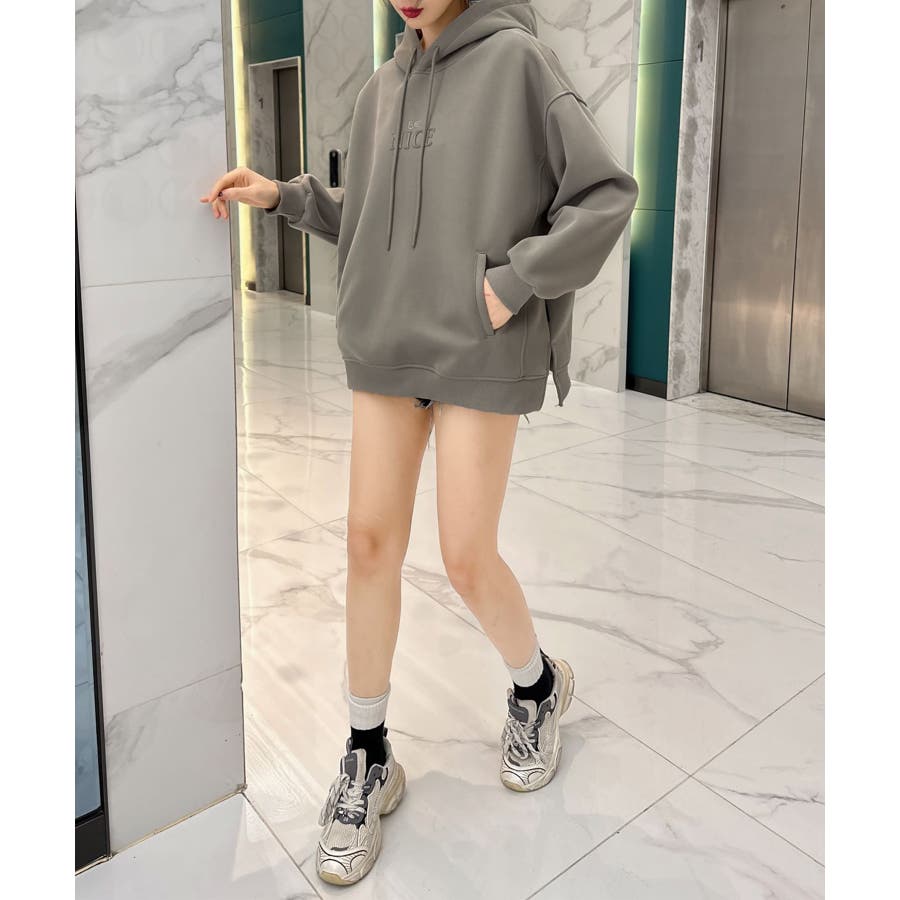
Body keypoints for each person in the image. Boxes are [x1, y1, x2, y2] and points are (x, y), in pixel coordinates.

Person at [202, 0, 639, 887]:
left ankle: (537, 686)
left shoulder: (519, 63)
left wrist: (515, 281)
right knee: (368, 544)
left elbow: (604, 195)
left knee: (466, 555)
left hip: (481, 341)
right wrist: (282, 196)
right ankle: (367, 754)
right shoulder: (382, 89)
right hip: (388, 343)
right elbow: (367, 214)